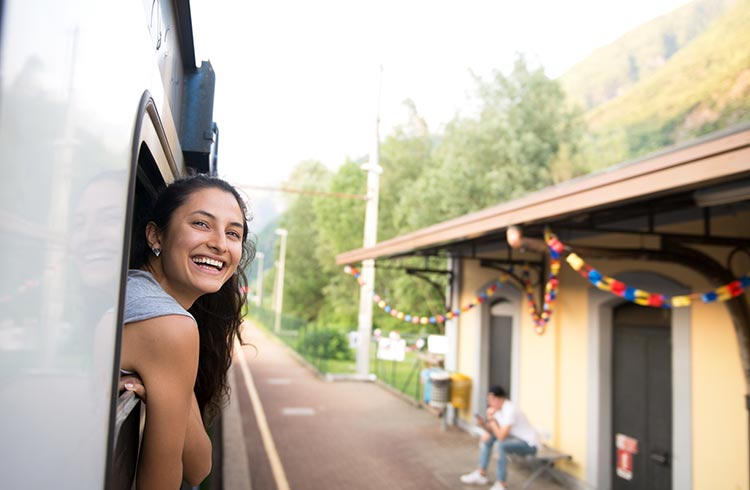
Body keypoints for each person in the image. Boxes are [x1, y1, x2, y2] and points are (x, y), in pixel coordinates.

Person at [120, 174, 255, 489]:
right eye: (201, 224)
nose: (220, 243)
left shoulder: (145, 297)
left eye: (232, 233)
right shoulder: (168, 324)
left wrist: (170, 390)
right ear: (156, 236)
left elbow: (198, 464)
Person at [460, 386, 540, 490]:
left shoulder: (510, 410)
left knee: (502, 445)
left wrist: (491, 419)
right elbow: (493, 430)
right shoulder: (498, 409)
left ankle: (501, 484)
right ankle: (481, 473)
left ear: (498, 399)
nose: (489, 403)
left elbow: (502, 437)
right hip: (515, 438)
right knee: (489, 438)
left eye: (490, 400)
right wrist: (483, 424)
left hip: (529, 445)